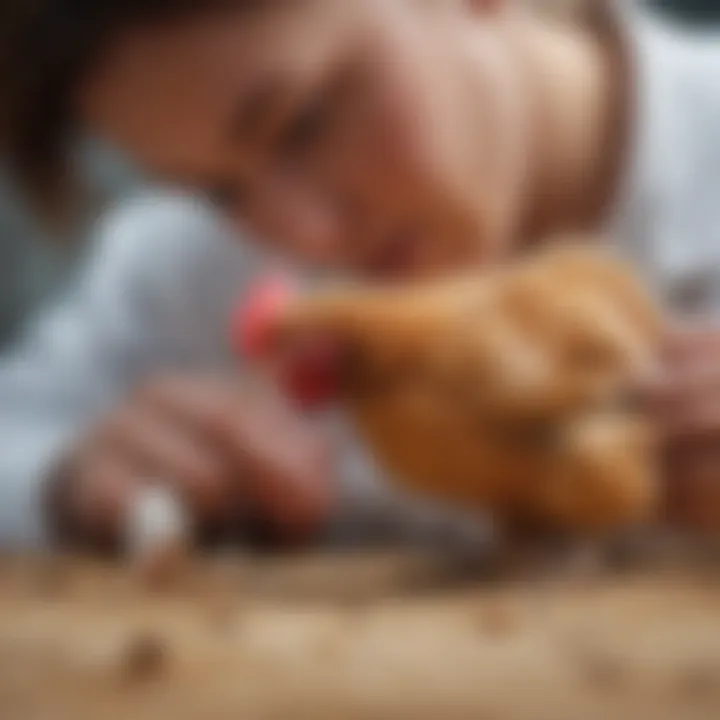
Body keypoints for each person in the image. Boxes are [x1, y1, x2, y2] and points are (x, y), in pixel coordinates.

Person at [0, 0, 718, 550]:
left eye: (306, 121)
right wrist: (66, 481)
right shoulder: (190, 272)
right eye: (218, 192)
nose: (306, 236)